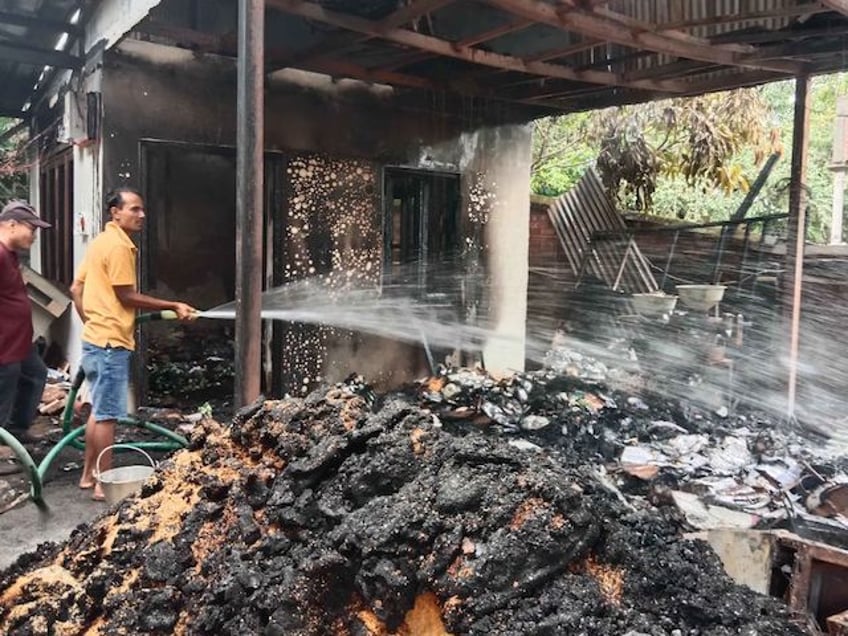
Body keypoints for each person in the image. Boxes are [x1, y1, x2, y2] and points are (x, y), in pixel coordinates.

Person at [70, 187, 196, 501]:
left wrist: (92, 321)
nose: (141, 215)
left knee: (98, 412)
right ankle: (105, 483)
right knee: (108, 415)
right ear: (116, 212)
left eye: (142, 210)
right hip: (111, 342)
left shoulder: (100, 242)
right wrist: (173, 304)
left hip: (96, 339)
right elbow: (126, 296)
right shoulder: (119, 247)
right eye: (134, 209)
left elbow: (75, 288)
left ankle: (88, 476)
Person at [0, 201, 52, 443]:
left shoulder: (9, 255)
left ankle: (16, 432)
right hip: (4, 344)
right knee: (4, 391)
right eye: (32, 229)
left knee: (35, 374)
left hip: (18, 340)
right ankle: (2, 448)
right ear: (12, 225)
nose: (34, 236)